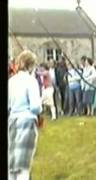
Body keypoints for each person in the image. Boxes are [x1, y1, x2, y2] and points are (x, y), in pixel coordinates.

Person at [8, 50, 42, 180]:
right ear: (31, 65)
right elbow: (35, 106)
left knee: (12, 162)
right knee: (23, 165)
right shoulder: (31, 81)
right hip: (27, 122)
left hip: (12, 121)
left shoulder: (11, 81)